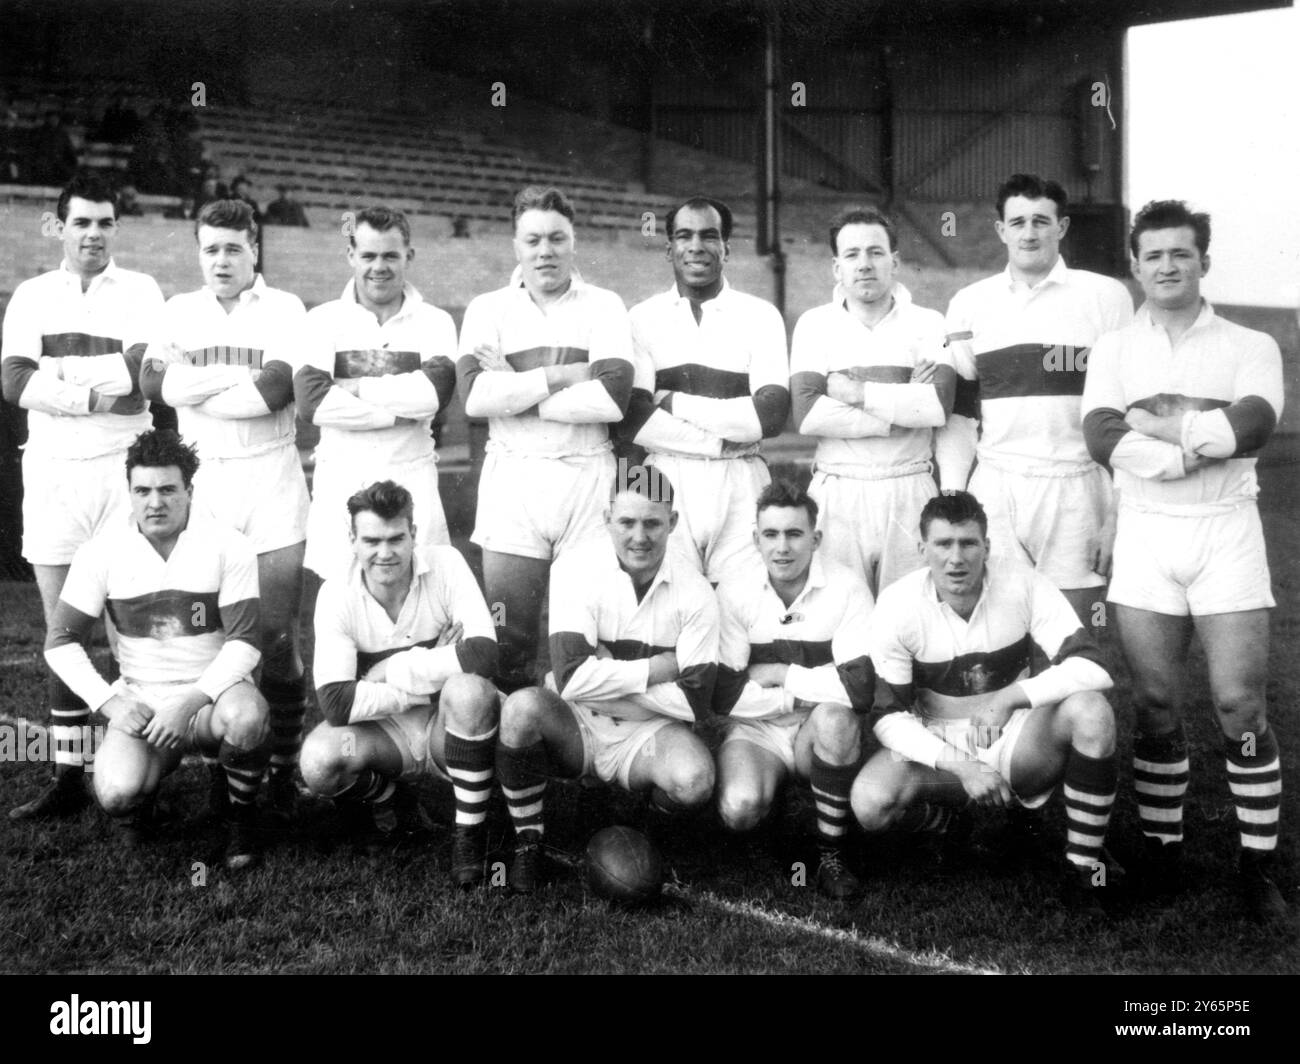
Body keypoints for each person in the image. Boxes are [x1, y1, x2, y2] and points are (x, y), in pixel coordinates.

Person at [1081, 200, 1287, 923]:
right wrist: (1195, 445)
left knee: (1240, 704)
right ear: (1134, 266)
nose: (1168, 266)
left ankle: (1256, 868)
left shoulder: (1249, 342)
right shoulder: (1114, 349)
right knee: (1157, 705)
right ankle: (1163, 853)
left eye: (1181, 253)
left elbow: (1256, 424)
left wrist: (1163, 427)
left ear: (1205, 260)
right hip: (1146, 532)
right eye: (1154, 255)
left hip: (1227, 531)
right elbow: (1103, 436)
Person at [851, 491, 1119, 914]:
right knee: (869, 802)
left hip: (1016, 737)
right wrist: (962, 765)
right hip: (938, 746)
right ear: (922, 549)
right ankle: (945, 824)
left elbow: (1094, 666)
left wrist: (1012, 697)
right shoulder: (897, 604)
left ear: (987, 546)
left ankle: (1083, 869)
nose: (956, 558)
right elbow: (888, 718)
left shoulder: (1023, 581)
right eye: (943, 544)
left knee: (1092, 712)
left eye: (968, 543)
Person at [139, 198, 311, 819]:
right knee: (216, 634)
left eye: (233, 248)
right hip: (204, 484)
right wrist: (224, 385)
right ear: (197, 252)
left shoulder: (286, 308)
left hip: (272, 479)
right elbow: (155, 387)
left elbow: (273, 392)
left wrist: (197, 380)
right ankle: (231, 773)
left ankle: (287, 769)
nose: (221, 259)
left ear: (256, 249)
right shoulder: (178, 310)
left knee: (275, 633)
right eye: (210, 248)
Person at [3, 173, 164, 820]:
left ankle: (148, 759)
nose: (93, 234)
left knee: (138, 626)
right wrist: (94, 393)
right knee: (62, 629)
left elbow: (142, 377)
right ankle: (68, 775)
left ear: (115, 229)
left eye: (104, 223)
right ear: (58, 226)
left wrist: (59, 376)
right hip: (52, 475)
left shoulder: (144, 291)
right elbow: (14, 380)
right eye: (81, 222)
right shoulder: (33, 295)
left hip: (122, 474)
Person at [43, 430, 269, 870]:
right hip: (143, 699)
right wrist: (111, 703)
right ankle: (143, 802)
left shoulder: (229, 545)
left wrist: (190, 700)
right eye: (142, 490)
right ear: (129, 493)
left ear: (189, 491)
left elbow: (245, 641)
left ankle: (240, 814)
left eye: (168, 489)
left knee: (247, 717)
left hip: (212, 699)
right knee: (115, 792)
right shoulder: (101, 552)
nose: (155, 502)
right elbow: (60, 641)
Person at [495, 465, 718, 893]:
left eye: (653, 523)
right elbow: (573, 678)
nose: (639, 536)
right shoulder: (574, 570)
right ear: (606, 520)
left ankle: (641, 830)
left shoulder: (695, 591)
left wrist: (605, 670)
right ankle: (529, 842)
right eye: (627, 522)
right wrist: (658, 669)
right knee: (522, 709)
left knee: (694, 780)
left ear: (672, 522)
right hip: (578, 724)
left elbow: (695, 704)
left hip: (647, 734)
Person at [936, 174, 1134, 628]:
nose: (1029, 233)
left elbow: (1125, 415)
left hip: (1076, 488)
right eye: (1018, 221)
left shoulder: (1106, 297)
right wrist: (953, 494)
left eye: (1041, 221)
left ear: (1062, 227)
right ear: (1000, 230)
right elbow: (962, 412)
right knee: (999, 633)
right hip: (997, 486)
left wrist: (1117, 510)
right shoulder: (969, 302)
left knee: (1074, 638)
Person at [457, 185, 635, 692]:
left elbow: (613, 400)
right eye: (532, 239)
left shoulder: (604, 305)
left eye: (557, 239)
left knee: (585, 631)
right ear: (515, 245)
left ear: (573, 243)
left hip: (587, 475)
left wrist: (515, 385)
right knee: (509, 634)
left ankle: (582, 741)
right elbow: (474, 399)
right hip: (514, 478)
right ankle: (516, 749)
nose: (545, 251)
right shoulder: (487, 309)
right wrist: (564, 375)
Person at [301, 480, 500, 887]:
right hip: (388, 731)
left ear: (414, 534)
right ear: (352, 540)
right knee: (319, 762)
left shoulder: (446, 563)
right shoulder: (336, 592)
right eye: (372, 540)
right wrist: (431, 673)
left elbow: (483, 654)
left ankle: (469, 835)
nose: (385, 552)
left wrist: (389, 668)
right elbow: (337, 704)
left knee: (471, 690)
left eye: (396, 538)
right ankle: (392, 798)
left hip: (449, 721)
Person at [713, 481, 873, 899]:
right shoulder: (733, 588)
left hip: (814, 726)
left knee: (837, 720)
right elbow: (725, 694)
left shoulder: (848, 587)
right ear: (755, 539)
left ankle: (829, 854)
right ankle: (788, 813)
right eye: (771, 534)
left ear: (815, 538)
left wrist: (783, 673)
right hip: (756, 729)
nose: (782, 547)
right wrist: (807, 690)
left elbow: (858, 689)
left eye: (794, 534)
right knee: (740, 809)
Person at [623, 195, 789, 584]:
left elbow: (771, 415)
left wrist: (673, 401)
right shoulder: (642, 318)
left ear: (726, 248)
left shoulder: (761, 315)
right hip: (662, 477)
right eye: (684, 236)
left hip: (741, 477)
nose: (696, 246)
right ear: (669, 248)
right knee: (669, 608)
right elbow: (634, 419)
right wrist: (718, 441)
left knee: (741, 611)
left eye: (709, 236)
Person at [790, 206, 955, 595]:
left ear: (895, 261)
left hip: (909, 487)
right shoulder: (815, 324)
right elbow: (808, 414)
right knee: (841, 613)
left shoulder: (929, 322)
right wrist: (898, 412)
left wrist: (855, 392)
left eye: (875, 252)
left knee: (913, 613)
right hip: (838, 489)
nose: (864, 264)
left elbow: (937, 406)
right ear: (836, 268)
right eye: (852, 255)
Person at [296, 206, 457, 588]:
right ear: (351, 255)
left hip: (412, 476)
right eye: (368, 255)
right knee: (339, 610)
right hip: (341, 481)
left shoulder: (436, 321)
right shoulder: (322, 320)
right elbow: (311, 402)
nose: (378, 267)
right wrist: (399, 412)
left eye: (390, 255)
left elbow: (434, 395)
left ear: (409, 256)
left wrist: (356, 388)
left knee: (420, 605)